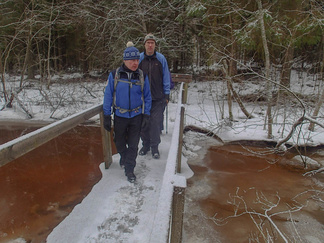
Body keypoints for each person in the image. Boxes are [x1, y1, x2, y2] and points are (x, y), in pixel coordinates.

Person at [103, 41, 152, 183]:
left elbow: (147, 97)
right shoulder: (115, 75)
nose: (135, 63)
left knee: (133, 144)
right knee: (118, 141)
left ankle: (130, 169)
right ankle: (123, 157)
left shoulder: (142, 76)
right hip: (120, 115)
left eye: (137, 59)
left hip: (136, 116)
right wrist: (107, 114)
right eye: (132, 60)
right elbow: (108, 95)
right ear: (125, 60)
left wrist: (146, 114)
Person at [138, 33, 171, 159]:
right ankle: (145, 145)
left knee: (156, 123)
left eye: (152, 43)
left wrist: (166, 94)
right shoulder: (140, 59)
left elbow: (166, 77)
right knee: (143, 123)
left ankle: (154, 147)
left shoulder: (161, 59)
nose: (150, 45)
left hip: (158, 98)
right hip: (142, 99)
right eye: (148, 43)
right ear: (145, 45)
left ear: (155, 45)